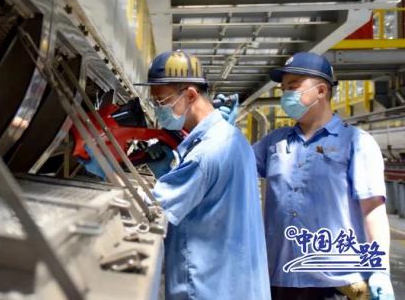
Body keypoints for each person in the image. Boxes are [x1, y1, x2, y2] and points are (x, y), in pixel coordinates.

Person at [250, 52, 394, 300]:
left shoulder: (356, 142)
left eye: (293, 86)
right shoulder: (274, 142)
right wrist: (224, 134)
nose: (286, 95)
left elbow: (372, 210)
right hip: (279, 279)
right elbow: (233, 168)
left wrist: (380, 269)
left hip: (336, 284)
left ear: (321, 90)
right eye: (284, 89)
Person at [134, 50, 270, 300]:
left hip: (208, 288)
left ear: (190, 95)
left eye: (161, 101)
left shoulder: (205, 153)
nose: (158, 109)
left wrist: (104, 167)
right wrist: (170, 173)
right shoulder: (232, 138)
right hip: (238, 286)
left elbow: (151, 209)